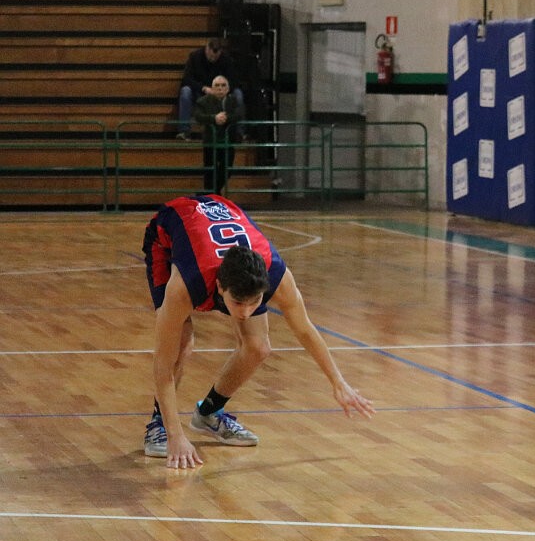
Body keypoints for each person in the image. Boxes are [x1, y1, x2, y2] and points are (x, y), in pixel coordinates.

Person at [141, 193, 375, 468]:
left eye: (255, 302)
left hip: (221, 213)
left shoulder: (277, 275)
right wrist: (176, 436)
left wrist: (338, 382)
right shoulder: (186, 284)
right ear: (220, 287)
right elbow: (162, 364)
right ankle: (158, 423)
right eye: (238, 303)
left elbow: (305, 329)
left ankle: (209, 412)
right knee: (181, 345)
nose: (245, 312)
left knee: (258, 346)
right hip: (170, 228)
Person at [178, 38, 244, 140]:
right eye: (211, 56)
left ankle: (239, 132)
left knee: (238, 94)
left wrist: (223, 89)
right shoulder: (195, 57)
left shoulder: (226, 59)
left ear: (220, 52)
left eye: (215, 57)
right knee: (185, 91)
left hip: (222, 93)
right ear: (207, 49)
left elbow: (234, 80)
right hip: (200, 92)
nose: (213, 59)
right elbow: (187, 79)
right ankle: (184, 131)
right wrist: (203, 88)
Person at [194, 75, 244, 194]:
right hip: (210, 141)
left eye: (223, 85)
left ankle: (212, 193)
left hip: (228, 141)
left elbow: (239, 114)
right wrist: (214, 118)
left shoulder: (233, 101)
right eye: (217, 85)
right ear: (212, 88)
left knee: (227, 170)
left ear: (228, 89)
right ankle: (211, 196)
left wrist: (225, 118)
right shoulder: (203, 101)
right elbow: (198, 116)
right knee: (210, 171)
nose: (220, 88)